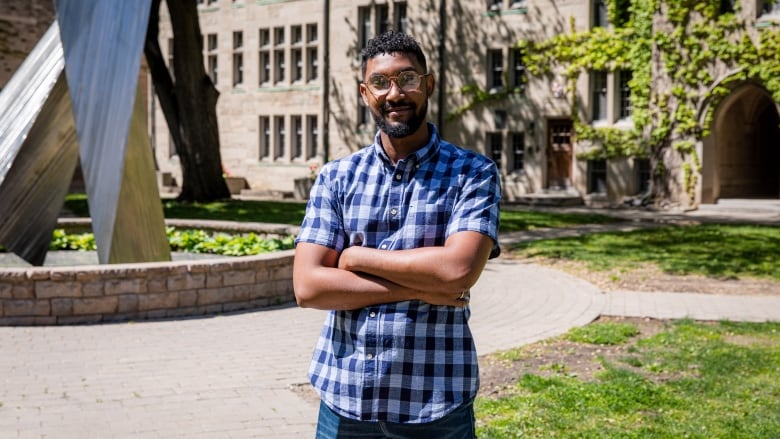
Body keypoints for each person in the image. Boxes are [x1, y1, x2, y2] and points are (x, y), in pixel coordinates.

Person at [293, 30, 501, 438]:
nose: (395, 93)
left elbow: (458, 270)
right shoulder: (336, 178)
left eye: (407, 79)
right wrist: (426, 287)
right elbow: (309, 287)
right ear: (364, 93)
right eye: (380, 82)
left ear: (428, 84)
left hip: (437, 402)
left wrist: (355, 259)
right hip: (346, 399)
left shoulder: (472, 174)